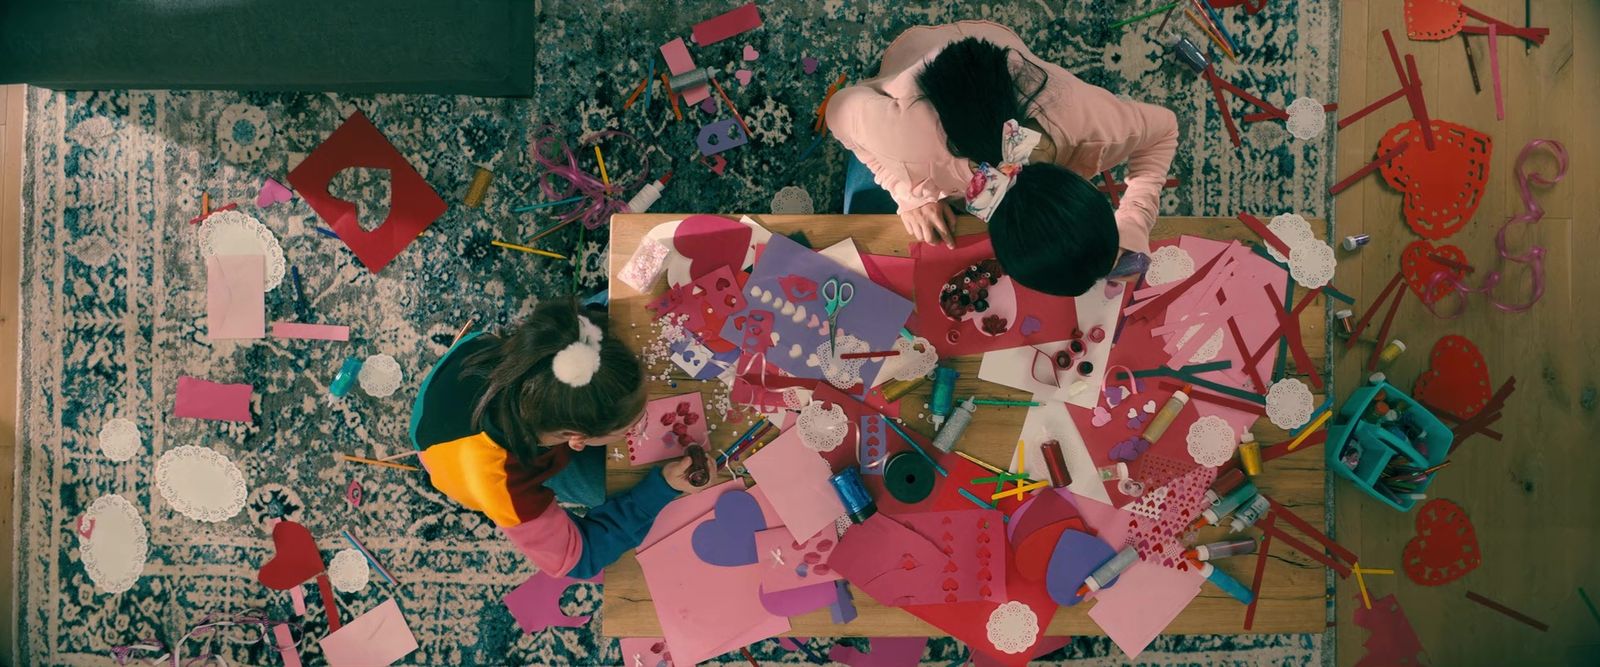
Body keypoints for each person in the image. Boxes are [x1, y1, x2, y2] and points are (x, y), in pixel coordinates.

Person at [827, 21, 1179, 297]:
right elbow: (838, 109)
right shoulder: (906, 140)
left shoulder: (1096, 119)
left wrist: (1134, 222)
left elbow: (1164, 128)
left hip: (1002, 58)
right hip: (915, 64)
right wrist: (910, 195)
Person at [409, 298, 706, 579]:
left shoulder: (568, 332)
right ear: (577, 440)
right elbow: (578, 558)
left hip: (463, 371)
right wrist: (658, 490)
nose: (640, 424)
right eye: (629, 426)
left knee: (607, 303)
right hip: (451, 455)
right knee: (600, 490)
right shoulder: (506, 485)